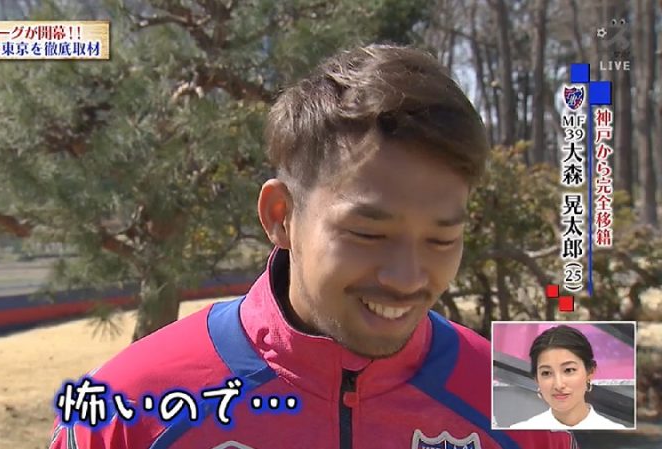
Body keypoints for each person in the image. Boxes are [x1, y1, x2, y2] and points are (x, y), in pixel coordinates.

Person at [49, 43, 577, 449]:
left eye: (442, 238)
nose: (406, 276)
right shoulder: (125, 411)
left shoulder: (527, 408)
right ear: (281, 216)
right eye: (368, 233)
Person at [510, 325, 627, 430]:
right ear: (536, 379)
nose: (558, 385)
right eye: (546, 373)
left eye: (568, 370)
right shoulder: (519, 432)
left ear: (590, 372)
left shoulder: (615, 432)